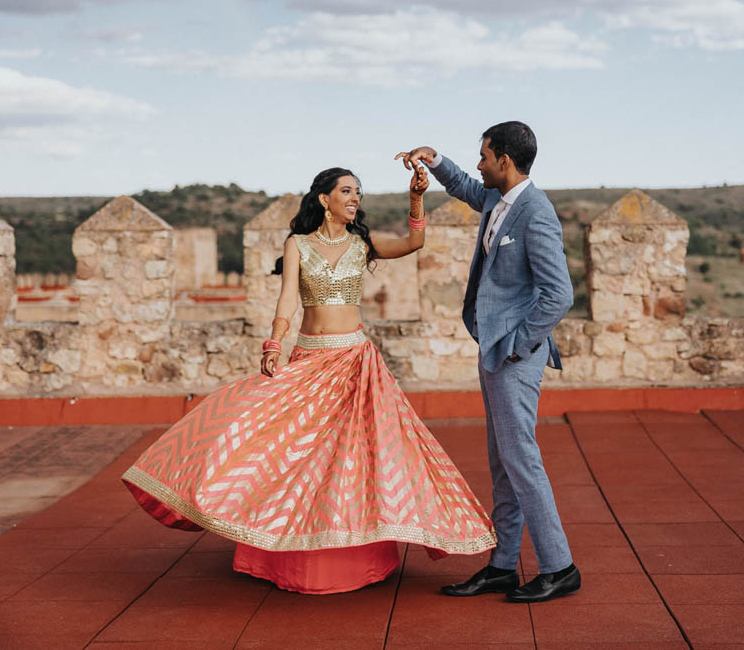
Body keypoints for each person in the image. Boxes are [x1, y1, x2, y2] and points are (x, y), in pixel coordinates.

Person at [122, 165, 495, 594]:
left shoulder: (363, 243)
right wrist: (273, 344)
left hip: (354, 361)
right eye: (347, 191)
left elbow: (414, 242)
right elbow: (287, 302)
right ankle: (283, 551)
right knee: (289, 455)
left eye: (358, 192)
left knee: (351, 461)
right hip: (308, 360)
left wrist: (415, 199)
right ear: (325, 199)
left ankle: (352, 556)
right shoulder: (297, 244)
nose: (355, 198)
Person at [396, 121, 580, 603]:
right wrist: (435, 161)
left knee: (521, 460)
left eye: (483, 157)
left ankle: (559, 568)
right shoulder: (499, 201)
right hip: (495, 350)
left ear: (505, 160)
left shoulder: (535, 212)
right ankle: (502, 566)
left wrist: (518, 343)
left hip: (514, 355)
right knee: (503, 462)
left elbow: (559, 294)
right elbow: (465, 187)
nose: (478, 165)